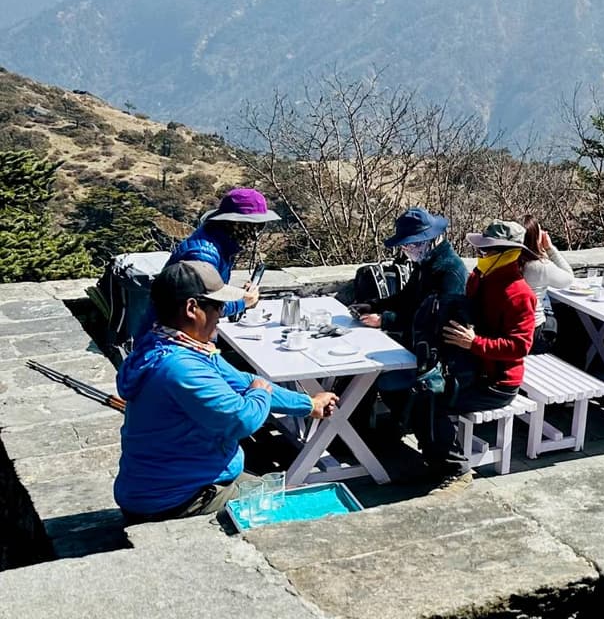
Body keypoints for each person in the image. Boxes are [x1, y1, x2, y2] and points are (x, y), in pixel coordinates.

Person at [114, 260, 338, 522]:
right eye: (218, 306)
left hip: (177, 480)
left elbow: (243, 381)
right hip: (177, 498)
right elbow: (241, 420)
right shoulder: (180, 368)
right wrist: (260, 393)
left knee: (275, 493)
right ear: (191, 308)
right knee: (295, 519)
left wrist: (307, 404)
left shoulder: (169, 343)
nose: (221, 315)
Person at [422, 219, 538, 494]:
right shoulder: (479, 278)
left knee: (431, 403)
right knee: (419, 392)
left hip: (497, 383)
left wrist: (475, 343)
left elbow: (520, 346)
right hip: (469, 369)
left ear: (508, 253)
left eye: (487, 251)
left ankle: (457, 471)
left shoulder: (520, 294)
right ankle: (436, 459)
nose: (481, 256)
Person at [352, 207, 471, 437]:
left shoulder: (449, 272)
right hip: (416, 344)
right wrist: (374, 305)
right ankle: (372, 429)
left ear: (433, 240)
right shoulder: (426, 264)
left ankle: (380, 430)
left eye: (414, 244)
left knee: (376, 377)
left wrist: (385, 320)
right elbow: (406, 299)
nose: (409, 250)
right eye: (406, 245)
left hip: (438, 357)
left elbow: (436, 322)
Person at [135, 187, 277, 339]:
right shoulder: (203, 255)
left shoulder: (220, 242)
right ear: (237, 224)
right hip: (171, 340)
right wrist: (242, 302)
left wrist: (235, 295)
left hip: (176, 334)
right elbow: (198, 309)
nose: (256, 233)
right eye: (255, 225)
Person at [519, 217, 572, 354]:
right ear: (535, 237)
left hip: (508, 329)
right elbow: (568, 278)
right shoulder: (539, 266)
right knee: (572, 322)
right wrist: (549, 248)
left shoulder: (507, 264)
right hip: (534, 335)